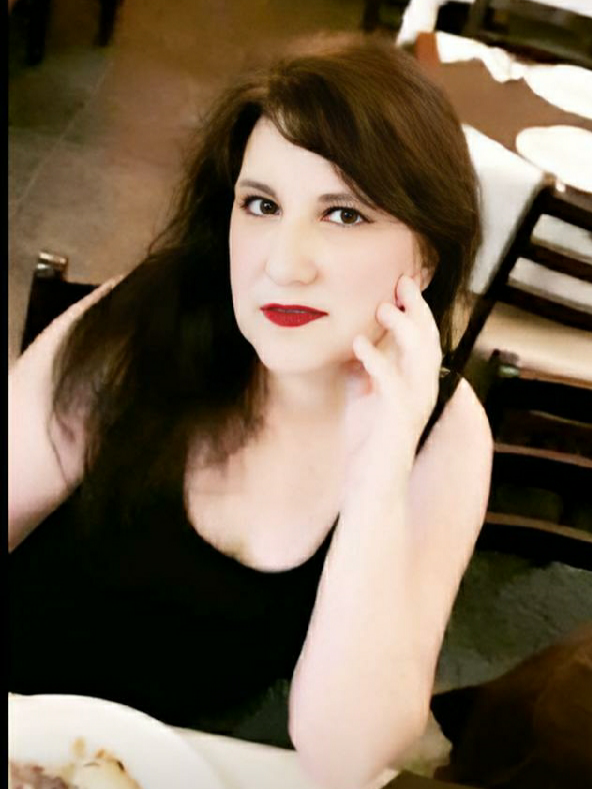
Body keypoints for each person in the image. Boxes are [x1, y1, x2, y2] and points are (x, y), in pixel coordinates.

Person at [8, 31, 493, 789]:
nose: (282, 263)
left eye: (344, 215)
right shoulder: (145, 328)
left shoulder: (444, 433)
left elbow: (347, 754)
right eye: (261, 204)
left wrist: (380, 468)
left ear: (426, 255)